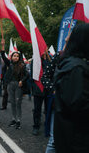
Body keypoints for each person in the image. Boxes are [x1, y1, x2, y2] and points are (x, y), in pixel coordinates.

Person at [54, 24, 89, 153]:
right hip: (76, 138)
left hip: (70, 135)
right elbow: (76, 104)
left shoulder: (74, 64)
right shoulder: (76, 68)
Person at [4, 51, 28, 130]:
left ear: (19, 57)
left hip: (18, 86)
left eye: (17, 56)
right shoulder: (9, 64)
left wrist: (22, 80)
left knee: (18, 103)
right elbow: (3, 57)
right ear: (12, 57)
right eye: (14, 56)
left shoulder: (22, 65)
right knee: (12, 102)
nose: (16, 57)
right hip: (10, 85)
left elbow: (27, 75)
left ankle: (18, 121)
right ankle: (13, 119)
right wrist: (3, 48)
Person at [31, 52, 49, 136]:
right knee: (37, 110)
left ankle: (47, 125)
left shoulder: (49, 60)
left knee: (48, 110)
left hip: (48, 89)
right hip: (38, 89)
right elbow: (32, 74)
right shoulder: (35, 61)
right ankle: (36, 126)